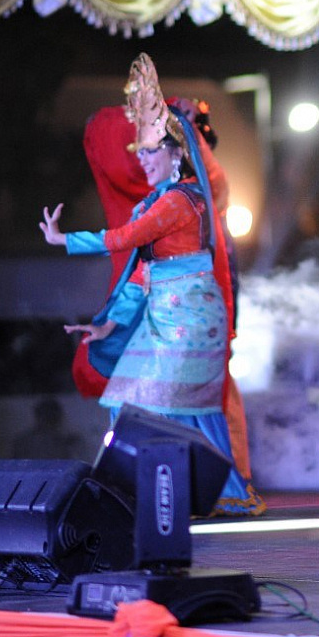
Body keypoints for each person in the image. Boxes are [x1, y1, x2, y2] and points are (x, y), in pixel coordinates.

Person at [40, 53, 263, 517]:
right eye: (139, 152)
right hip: (163, 311)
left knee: (184, 405)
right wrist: (109, 324)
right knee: (132, 400)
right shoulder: (154, 203)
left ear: (177, 153)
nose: (142, 160)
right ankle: (150, 490)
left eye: (150, 151)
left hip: (190, 315)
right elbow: (142, 273)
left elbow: (125, 239)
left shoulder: (181, 201)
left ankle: (216, 492)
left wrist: (65, 240)